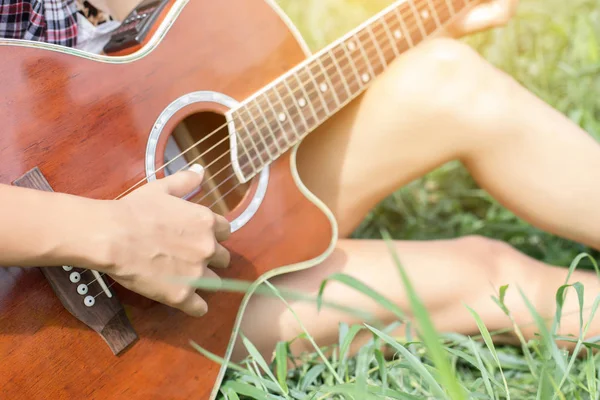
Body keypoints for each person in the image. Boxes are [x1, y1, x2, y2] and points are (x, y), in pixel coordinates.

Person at [1, 0, 599, 364]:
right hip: (71, 333)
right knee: (488, 275)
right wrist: (110, 235)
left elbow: (140, 71)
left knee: (452, 86)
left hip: (174, 198)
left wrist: (409, 23)